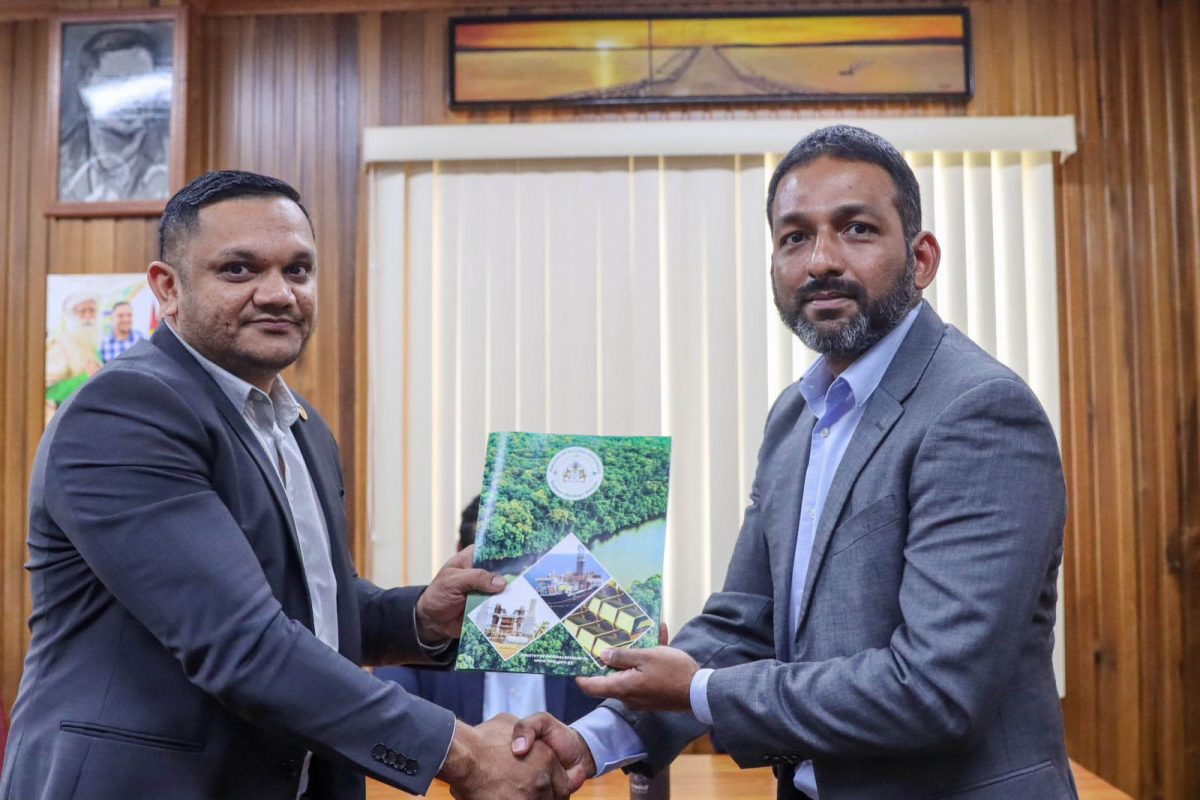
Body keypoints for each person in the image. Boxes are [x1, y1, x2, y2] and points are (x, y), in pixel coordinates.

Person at [512, 125, 1076, 799]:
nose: (821, 262)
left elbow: (934, 690)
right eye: (794, 237)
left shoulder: (979, 410)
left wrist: (700, 691)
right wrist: (593, 738)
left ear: (922, 259)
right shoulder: (796, 415)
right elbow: (740, 623)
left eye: (857, 229)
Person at [2, 170, 566, 800]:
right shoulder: (128, 412)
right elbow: (240, 640)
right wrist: (460, 754)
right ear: (168, 288)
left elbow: (311, 600)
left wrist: (420, 617)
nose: (278, 293)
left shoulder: (300, 426)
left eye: (298, 270)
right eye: (239, 270)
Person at [376, 496, 601, 726]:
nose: (511, 581)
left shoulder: (590, 644)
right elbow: (385, 729)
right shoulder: (417, 649)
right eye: (497, 562)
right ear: (461, 558)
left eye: (528, 559)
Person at [59, 27, 170, 203]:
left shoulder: (172, 157)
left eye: (142, 84)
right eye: (115, 83)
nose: (130, 99)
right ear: (84, 89)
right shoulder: (60, 163)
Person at [44, 291, 103, 420]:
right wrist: (85, 378)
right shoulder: (61, 344)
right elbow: (47, 392)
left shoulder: (92, 344)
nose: (88, 316)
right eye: (82, 311)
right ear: (71, 316)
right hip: (66, 423)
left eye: (92, 311)